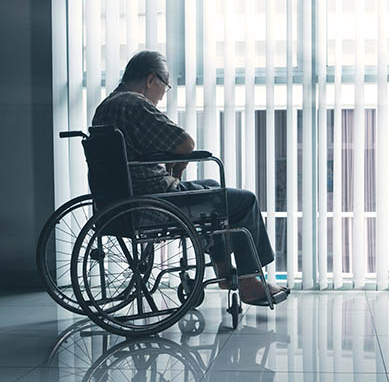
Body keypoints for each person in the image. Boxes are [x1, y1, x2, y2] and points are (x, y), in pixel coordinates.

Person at [92, 50, 288, 304]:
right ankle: (250, 283)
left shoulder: (106, 107)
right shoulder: (133, 103)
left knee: (213, 189)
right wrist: (180, 163)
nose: (162, 97)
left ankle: (223, 270)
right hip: (153, 200)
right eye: (165, 87)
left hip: (121, 200)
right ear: (152, 79)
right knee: (245, 201)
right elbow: (185, 142)